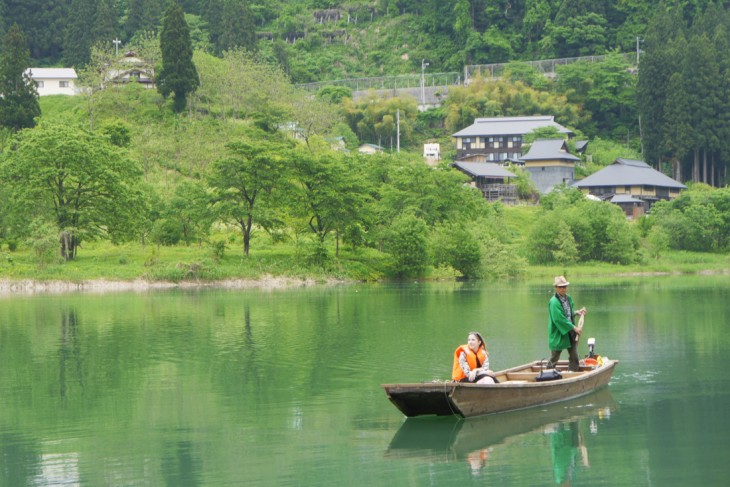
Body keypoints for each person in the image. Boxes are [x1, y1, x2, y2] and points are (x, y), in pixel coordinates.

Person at [548, 276, 586, 372]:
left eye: (564, 287)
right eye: (560, 287)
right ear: (556, 288)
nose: (562, 289)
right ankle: (548, 374)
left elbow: (567, 314)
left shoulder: (568, 298)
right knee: (554, 358)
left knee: (574, 357)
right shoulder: (553, 302)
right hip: (559, 332)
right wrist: (574, 328)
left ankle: (572, 375)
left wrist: (577, 312)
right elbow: (559, 319)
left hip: (570, 332)